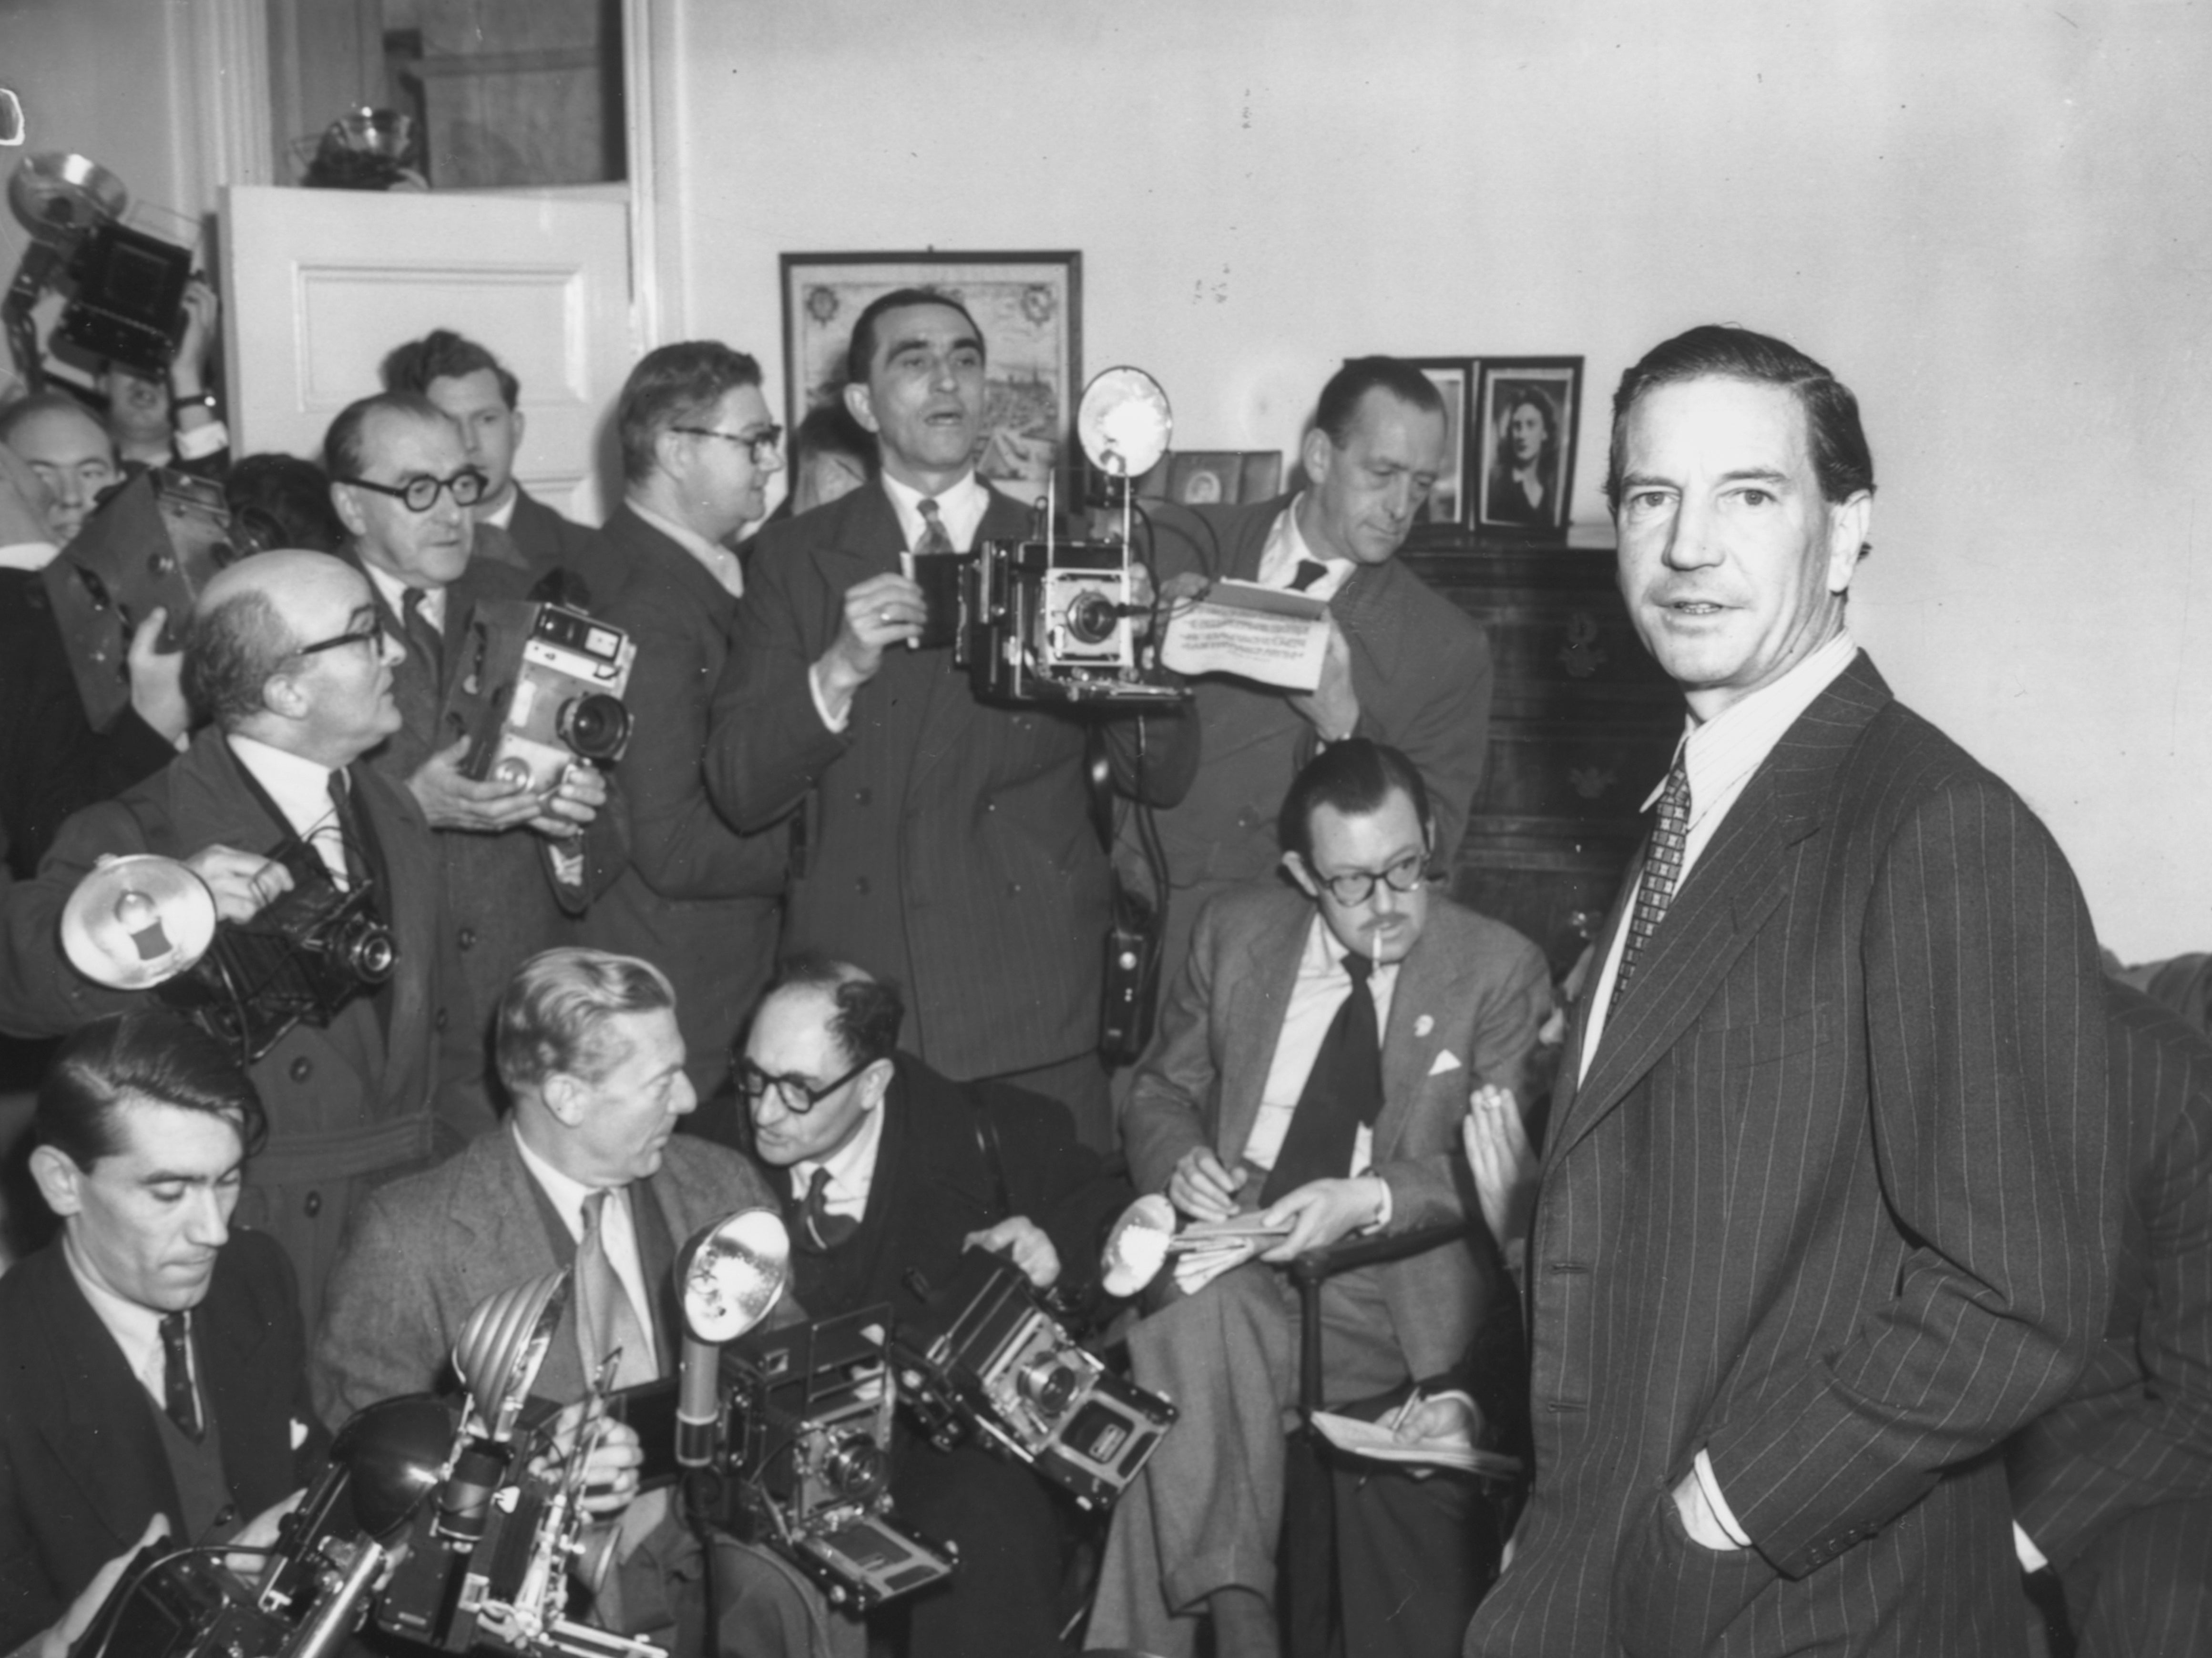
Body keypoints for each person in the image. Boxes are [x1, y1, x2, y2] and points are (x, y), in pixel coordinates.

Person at [1465, 325, 2120, 1656]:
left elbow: (2021, 1294)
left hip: (1806, 1600)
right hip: (1613, 1560)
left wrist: (1725, 1512)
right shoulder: (1691, 811)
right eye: (1652, 498)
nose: (1688, 546)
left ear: (1845, 530)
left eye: (1748, 496)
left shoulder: (1938, 828)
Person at [1086, 739, 1550, 1658]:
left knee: (1182, 1343)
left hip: (1387, 1289)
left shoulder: (1497, 967)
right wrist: (1180, 1164)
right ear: (1301, 871)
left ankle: (1205, 1627)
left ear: (1429, 837)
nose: (1387, 904)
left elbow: (1499, 1164)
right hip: (1239, 1244)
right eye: (1351, 882)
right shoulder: (1235, 931)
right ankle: (1243, 1619)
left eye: (1407, 867)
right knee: (1207, 1308)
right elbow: (1157, 1092)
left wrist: (1370, 1196)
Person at [704, 287, 1196, 1150]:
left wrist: (1138, 656)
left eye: (966, 360)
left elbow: (1162, 775)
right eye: (915, 360)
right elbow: (741, 788)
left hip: (1031, 1001)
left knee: (1049, 1256)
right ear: (862, 404)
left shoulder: (1069, 554)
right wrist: (836, 670)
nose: (948, 382)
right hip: (859, 1009)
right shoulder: (791, 559)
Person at [313, 947, 855, 1658]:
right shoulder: (411, 1238)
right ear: (568, 1097)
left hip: (733, 1591)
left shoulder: (722, 1186)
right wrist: (532, 1478)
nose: (691, 1100)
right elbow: (366, 1494)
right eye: (661, 1081)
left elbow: (792, 1381)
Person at [0, 549, 489, 1324]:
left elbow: (452, 1042)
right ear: (287, 689)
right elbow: (18, 984)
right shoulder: (143, 829)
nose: (395, 650)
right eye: (367, 634)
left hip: (413, 1223)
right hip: (251, 1239)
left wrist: (473, 1194)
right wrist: (174, 903)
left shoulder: (392, 809)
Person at [738, 958, 1133, 1658]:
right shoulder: (707, 1145)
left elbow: (1107, 1224)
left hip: (938, 1448)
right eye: (754, 1077)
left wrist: (1054, 1255)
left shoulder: (995, 1131)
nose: (764, 1111)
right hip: (781, 1456)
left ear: (874, 1082)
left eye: (799, 1090)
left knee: (986, 1520)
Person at [1132, 358, 1492, 987]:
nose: (1401, 507)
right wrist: (1138, 638)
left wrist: (1345, 730)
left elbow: (1431, 851)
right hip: (1137, 925)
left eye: (1422, 482)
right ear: (1320, 456)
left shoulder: (1445, 646)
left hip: (1290, 962)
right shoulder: (1177, 543)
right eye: (1382, 474)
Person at [0, 1010, 328, 1657]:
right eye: (170, 1191)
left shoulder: (255, 1274)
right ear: (62, 1182)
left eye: (227, 1180)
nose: (213, 1229)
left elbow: (310, 1468)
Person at [325, 391, 624, 1074]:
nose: (452, 512)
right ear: (350, 506)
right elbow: (259, 821)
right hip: (375, 1015)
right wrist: (407, 808)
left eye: (461, 484)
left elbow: (617, 819)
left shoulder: (527, 601)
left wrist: (572, 826)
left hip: (517, 1014)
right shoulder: (298, 613)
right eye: (417, 489)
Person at [585, 343, 789, 1115]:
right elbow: (671, 844)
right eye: (754, 441)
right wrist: (826, 842)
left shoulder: (705, 566)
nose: (770, 462)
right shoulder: (645, 602)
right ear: (676, 450)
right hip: (693, 996)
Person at [2007, 979, 2212, 1658]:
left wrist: (2013, 1541)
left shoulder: (2167, 1079)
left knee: (2164, 1599)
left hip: (2103, 1438)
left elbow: (2198, 1400)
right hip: (1896, 1422)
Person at [0, 437, 182, 879]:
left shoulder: (168, 600)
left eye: (90, 472)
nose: (68, 496)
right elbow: (49, 842)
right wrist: (155, 723)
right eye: (42, 471)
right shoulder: (25, 631)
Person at [380, 328, 626, 606]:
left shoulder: (590, 556)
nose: (469, 443)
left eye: (486, 420)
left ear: (516, 429)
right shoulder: (385, 550)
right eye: (448, 423)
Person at [102, 275, 227, 479]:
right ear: (103, 380)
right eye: (134, 361)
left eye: (164, 370)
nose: (146, 377)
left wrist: (185, 372)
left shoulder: (211, 472)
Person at [1480, 388, 1559, 529]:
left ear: (1545, 433)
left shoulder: (1550, 489)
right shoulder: (1495, 483)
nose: (1522, 435)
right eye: (1517, 426)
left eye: (1531, 425)